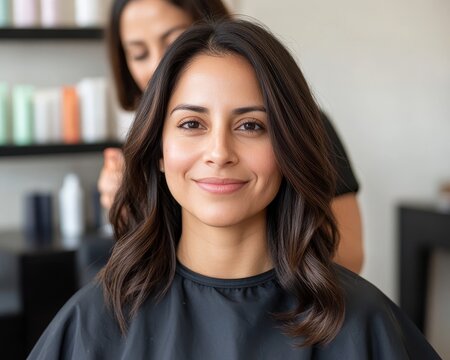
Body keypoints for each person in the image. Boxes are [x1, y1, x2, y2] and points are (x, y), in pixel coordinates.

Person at [29, 19, 439, 359]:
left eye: (250, 126)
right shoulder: (95, 321)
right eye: (192, 124)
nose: (219, 152)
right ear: (158, 150)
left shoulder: (363, 322)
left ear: (287, 149)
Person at [98, 0, 364, 273]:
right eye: (139, 54)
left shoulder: (299, 125)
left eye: (250, 126)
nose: (158, 64)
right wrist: (131, 207)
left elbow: (350, 256)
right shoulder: (151, 146)